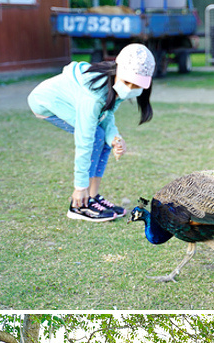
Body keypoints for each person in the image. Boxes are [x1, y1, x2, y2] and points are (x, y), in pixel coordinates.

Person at [27, 43, 156, 222]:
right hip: (46, 103)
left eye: (136, 86)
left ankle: (93, 197)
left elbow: (106, 114)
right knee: (95, 136)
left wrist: (115, 138)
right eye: (127, 82)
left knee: (103, 137)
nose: (130, 89)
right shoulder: (93, 95)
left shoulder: (114, 84)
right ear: (118, 70)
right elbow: (84, 139)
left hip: (70, 102)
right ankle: (79, 204)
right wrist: (80, 186)